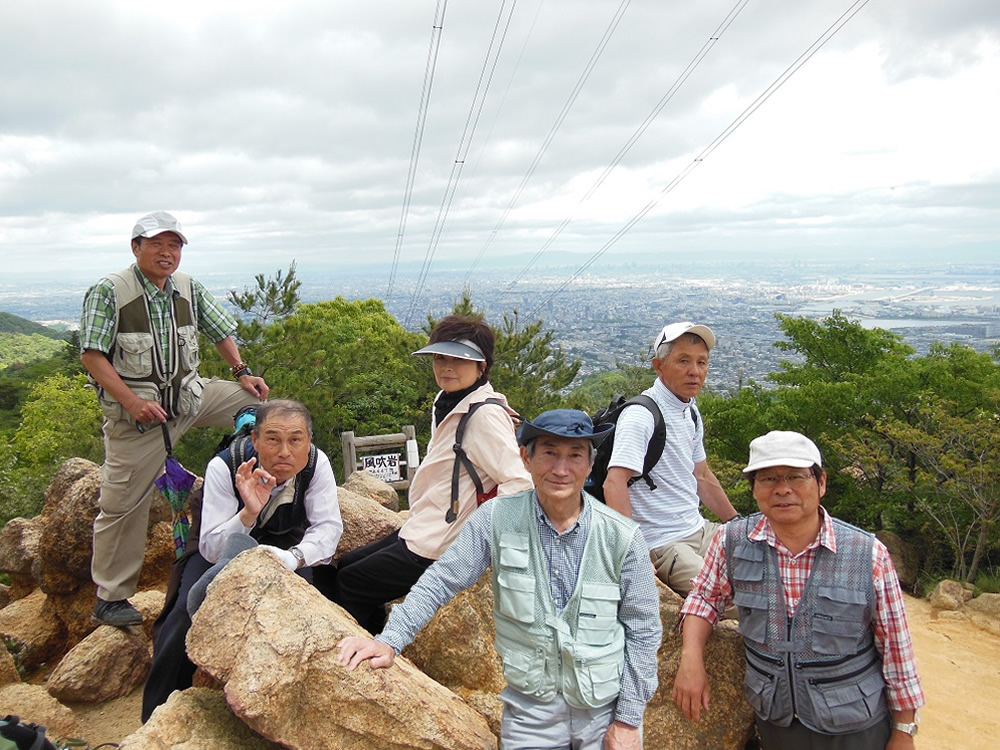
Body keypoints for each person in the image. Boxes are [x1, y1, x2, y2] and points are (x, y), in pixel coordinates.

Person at [338, 409, 662, 750]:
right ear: (526, 457)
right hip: (529, 715)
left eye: (575, 455)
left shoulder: (622, 537)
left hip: (604, 714)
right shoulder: (496, 520)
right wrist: (388, 641)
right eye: (549, 452)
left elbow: (643, 630)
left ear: (590, 462)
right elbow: (441, 581)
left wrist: (627, 719)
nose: (561, 468)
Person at [672, 430, 924, 749]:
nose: (783, 489)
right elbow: (704, 600)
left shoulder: (867, 554)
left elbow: (896, 648)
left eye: (796, 476)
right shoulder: (731, 542)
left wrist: (904, 730)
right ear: (754, 489)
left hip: (856, 727)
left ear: (821, 483)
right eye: (768, 479)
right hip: (777, 722)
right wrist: (690, 658)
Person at [81, 211, 270, 627]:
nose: (167, 253)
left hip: (190, 398)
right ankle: (111, 597)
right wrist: (131, 402)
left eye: (175, 245)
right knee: (122, 505)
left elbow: (220, 330)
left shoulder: (186, 287)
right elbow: (92, 355)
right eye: (157, 244)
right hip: (140, 419)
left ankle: (266, 510)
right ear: (136, 248)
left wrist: (242, 372)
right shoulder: (111, 291)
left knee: (265, 412)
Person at [141, 399, 343, 722]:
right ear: (255, 440)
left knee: (297, 614)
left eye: (296, 439)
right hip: (222, 537)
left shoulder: (316, 465)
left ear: (309, 440)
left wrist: (293, 558)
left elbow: (328, 527)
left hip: (285, 542)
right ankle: (158, 716)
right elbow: (209, 547)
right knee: (183, 616)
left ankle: (282, 715)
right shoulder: (223, 467)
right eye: (273, 439)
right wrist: (248, 512)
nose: (285, 452)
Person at [334, 315, 532, 633]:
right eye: (441, 356)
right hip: (426, 524)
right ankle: (376, 635)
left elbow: (520, 483)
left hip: (444, 542)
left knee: (351, 582)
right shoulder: (448, 400)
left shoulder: (483, 415)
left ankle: (365, 658)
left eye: (459, 359)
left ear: (482, 366)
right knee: (346, 565)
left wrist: (477, 538)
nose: (446, 366)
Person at [603, 321, 738, 598]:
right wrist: (633, 552)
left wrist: (737, 522)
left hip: (699, 529)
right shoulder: (642, 415)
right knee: (727, 597)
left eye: (702, 362)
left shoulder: (689, 410)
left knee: (769, 565)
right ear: (658, 366)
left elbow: (701, 476)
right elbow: (614, 483)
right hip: (663, 543)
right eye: (683, 361)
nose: (695, 372)